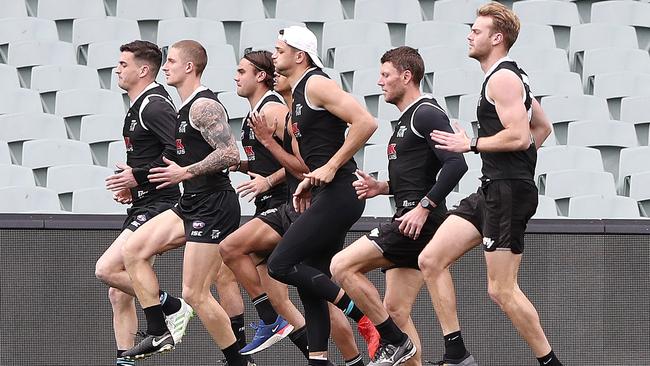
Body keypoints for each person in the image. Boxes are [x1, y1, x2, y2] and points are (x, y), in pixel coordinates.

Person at [419, 3, 561, 366]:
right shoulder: (510, 77)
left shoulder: (504, 79)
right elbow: (541, 128)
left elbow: (520, 136)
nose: (470, 34)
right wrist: (513, 163)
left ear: (497, 38)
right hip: (492, 187)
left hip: (507, 191)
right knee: (431, 259)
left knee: (501, 289)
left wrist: (472, 144)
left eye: (477, 30)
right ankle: (457, 355)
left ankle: (551, 363)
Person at [219, 69, 372, 366]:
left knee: (254, 259)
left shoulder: (276, 111)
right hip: (298, 202)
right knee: (308, 291)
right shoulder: (287, 111)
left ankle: (363, 325)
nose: (279, 73)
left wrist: (270, 158)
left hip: (300, 206)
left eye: (241, 71)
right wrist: (242, 164)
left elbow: (302, 167)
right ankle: (331, 356)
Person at [330, 46, 468, 366]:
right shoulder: (407, 119)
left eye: (385, 75)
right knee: (396, 309)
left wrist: (423, 207)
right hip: (409, 218)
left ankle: (391, 339)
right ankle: (399, 343)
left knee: (341, 266)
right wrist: (383, 188)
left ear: (406, 77)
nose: (380, 82)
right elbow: (418, 175)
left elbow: (456, 165)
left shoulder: (426, 112)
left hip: (419, 221)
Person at [119, 40, 250, 366]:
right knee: (132, 251)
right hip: (190, 202)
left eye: (172, 62)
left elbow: (231, 154)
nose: (166, 67)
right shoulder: (180, 109)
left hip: (214, 204)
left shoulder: (203, 106)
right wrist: (135, 179)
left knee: (195, 294)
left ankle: (238, 361)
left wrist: (185, 172)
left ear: (189, 67)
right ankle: (158, 331)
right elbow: (170, 161)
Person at [267, 26, 377, 366]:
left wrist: (329, 167)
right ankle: (317, 360)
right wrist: (311, 180)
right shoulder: (299, 92)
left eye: (279, 50)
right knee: (309, 280)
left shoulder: (315, 82)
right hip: (327, 191)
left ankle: (362, 316)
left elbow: (366, 122)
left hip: (342, 192)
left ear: (299, 55)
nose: (274, 55)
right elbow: (314, 154)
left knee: (280, 264)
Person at [96, 40, 192, 366]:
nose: (117, 69)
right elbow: (155, 157)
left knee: (107, 269)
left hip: (161, 205)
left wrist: (136, 176)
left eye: (123, 64)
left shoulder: (154, 105)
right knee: (118, 292)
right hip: (144, 202)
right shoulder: (138, 106)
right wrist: (133, 187)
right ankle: (126, 361)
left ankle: (172, 306)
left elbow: (179, 150)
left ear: (143, 69)